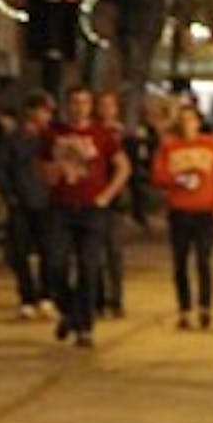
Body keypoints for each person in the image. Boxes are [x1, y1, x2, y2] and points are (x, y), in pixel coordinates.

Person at [42, 85, 132, 349]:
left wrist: (106, 195)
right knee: (54, 264)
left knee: (89, 267)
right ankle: (69, 309)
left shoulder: (102, 135)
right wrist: (51, 173)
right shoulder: (53, 134)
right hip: (61, 207)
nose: (79, 107)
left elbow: (123, 166)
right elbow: (42, 166)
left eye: (84, 102)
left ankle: (85, 326)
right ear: (67, 104)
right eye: (74, 102)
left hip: (92, 210)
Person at [152, 104, 213, 329]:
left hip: (205, 212)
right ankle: (185, 309)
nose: (188, 124)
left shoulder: (211, 145)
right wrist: (177, 180)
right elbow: (158, 176)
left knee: (203, 262)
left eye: (191, 119)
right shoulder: (170, 146)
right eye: (183, 119)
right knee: (180, 263)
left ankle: (205, 308)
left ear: (198, 122)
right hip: (179, 211)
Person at [0, 93, 57, 321]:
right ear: (31, 111)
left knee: (49, 251)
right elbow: (1, 167)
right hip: (21, 202)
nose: (47, 116)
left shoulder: (51, 138)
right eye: (43, 111)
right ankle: (27, 297)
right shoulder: (13, 139)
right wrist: (10, 195)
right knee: (21, 252)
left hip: (48, 203)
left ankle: (46, 295)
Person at [93, 91, 133, 318]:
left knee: (114, 252)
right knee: (95, 254)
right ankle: (98, 299)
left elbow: (131, 169)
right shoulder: (93, 134)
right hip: (93, 199)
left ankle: (116, 299)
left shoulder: (124, 137)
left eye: (110, 105)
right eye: (102, 105)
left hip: (116, 203)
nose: (105, 109)